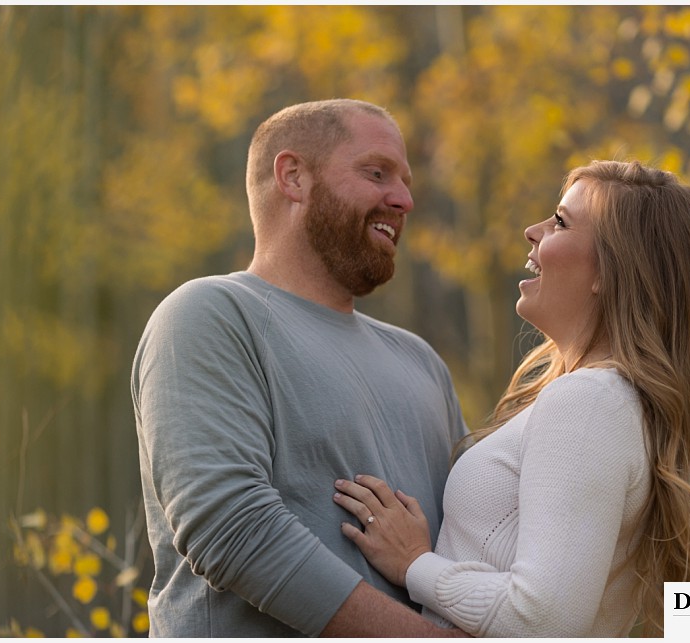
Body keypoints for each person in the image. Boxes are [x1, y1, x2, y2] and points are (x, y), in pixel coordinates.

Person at [333, 160, 690, 637]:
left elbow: (544, 619)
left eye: (560, 222)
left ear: (611, 271)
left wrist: (414, 564)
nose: (533, 231)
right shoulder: (611, 402)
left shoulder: (589, 402)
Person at [131, 99, 469, 637]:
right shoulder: (209, 315)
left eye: (405, 182)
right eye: (376, 173)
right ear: (292, 176)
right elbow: (232, 530)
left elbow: (471, 541)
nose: (404, 199)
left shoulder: (422, 362)